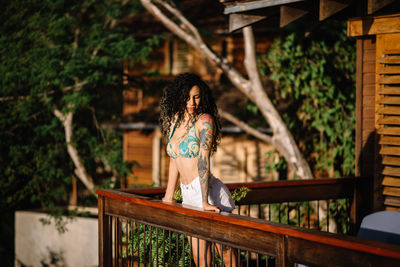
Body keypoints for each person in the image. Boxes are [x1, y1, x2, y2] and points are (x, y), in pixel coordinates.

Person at [160, 73, 237, 267]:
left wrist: (204, 201)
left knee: (226, 256)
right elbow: (174, 158)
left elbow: (204, 159)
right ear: (178, 97)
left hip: (209, 193)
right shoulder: (174, 121)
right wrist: (169, 196)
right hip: (188, 195)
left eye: (196, 96)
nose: (192, 102)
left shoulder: (204, 121)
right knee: (200, 259)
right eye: (187, 97)